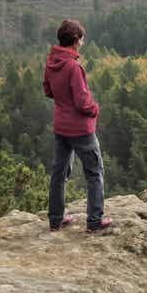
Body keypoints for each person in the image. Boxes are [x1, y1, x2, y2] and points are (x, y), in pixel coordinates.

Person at [44, 19, 111, 233]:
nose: (82, 42)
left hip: (61, 126)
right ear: (75, 40)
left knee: (59, 173)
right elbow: (83, 102)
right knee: (95, 173)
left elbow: (48, 91)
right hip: (81, 129)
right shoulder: (73, 66)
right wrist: (95, 109)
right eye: (81, 38)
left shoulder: (51, 61)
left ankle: (56, 220)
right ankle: (94, 222)